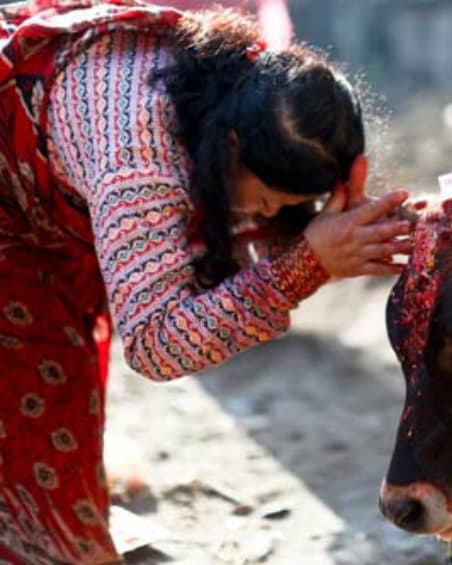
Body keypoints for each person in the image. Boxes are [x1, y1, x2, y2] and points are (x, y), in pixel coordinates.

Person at [0, 1, 411, 562]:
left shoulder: (249, 87)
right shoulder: (139, 162)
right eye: (266, 201)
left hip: (39, 226)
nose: (264, 216)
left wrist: (327, 229)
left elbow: (233, 238)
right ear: (232, 148)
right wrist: (303, 267)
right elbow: (156, 343)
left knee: (55, 462)